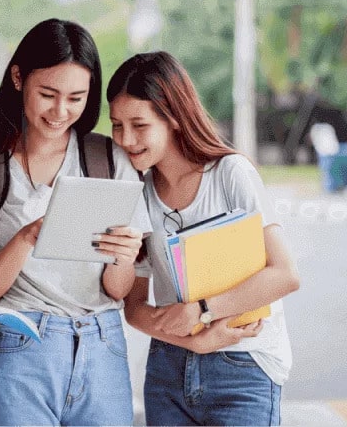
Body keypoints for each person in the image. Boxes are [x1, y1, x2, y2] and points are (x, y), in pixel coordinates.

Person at [0, 18, 152, 426]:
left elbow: (116, 290)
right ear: (18, 78)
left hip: (103, 344)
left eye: (76, 97)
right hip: (22, 344)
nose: (61, 111)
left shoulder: (110, 160)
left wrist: (124, 258)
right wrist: (27, 237)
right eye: (48, 94)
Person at [107, 51, 300, 426]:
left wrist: (202, 310)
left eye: (139, 125)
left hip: (243, 367)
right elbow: (134, 309)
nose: (126, 139)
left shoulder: (231, 174)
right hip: (168, 371)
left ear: (174, 118)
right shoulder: (137, 192)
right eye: (117, 125)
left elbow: (285, 275)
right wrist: (194, 341)